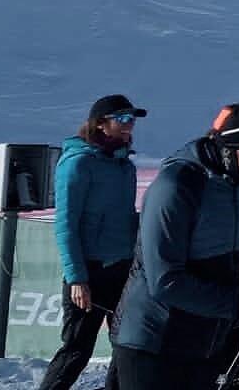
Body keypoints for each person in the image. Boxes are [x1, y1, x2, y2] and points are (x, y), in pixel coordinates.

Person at [113, 103, 239, 390]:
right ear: (229, 150)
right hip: (154, 341)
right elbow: (165, 280)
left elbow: (228, 259)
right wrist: (236, 304)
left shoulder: (235, 187)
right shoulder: (177, 186)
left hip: (201, 340)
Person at [40, 95, 148, 390]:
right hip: (90, 271)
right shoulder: (77, 163)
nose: (130, 126)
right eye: (123, 120)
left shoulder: (125, 165)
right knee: (77, 350)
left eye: (132, 120)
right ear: (100, 124)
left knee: (128, 347)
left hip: (123, 269)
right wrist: (77, 278)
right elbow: (66, 225)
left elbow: (125, 217)